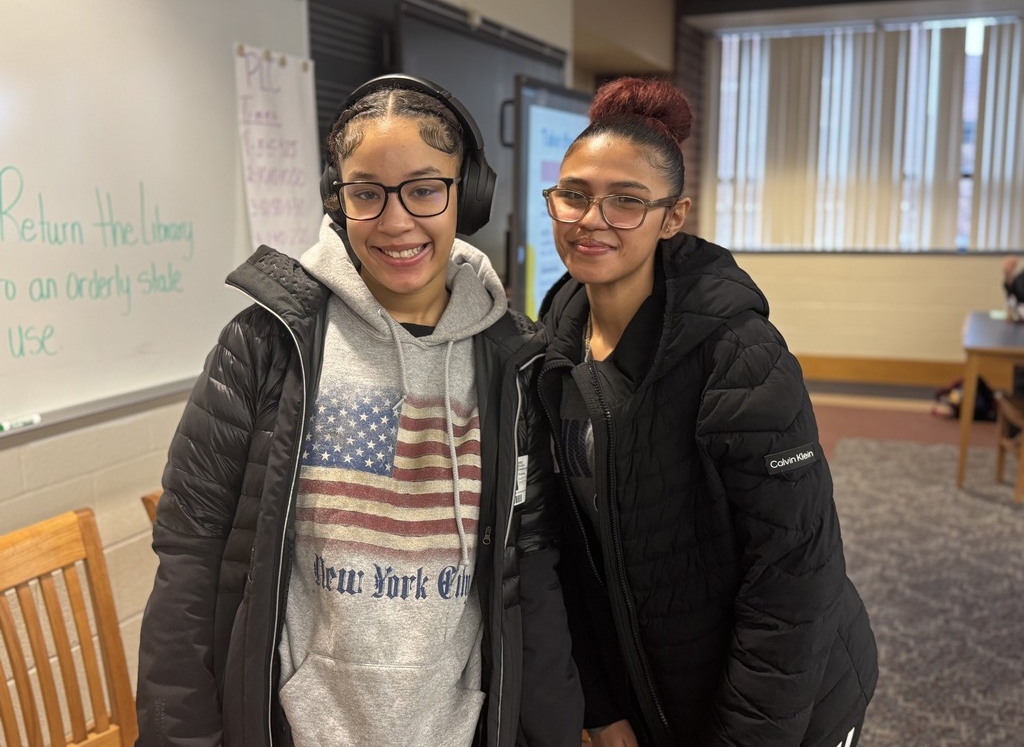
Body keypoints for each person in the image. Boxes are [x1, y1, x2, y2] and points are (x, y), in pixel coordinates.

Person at [135, 73, 583, 747]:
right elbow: (189, 554)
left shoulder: (511, 364)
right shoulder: (264, 346)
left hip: (458, 728)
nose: (396, 221)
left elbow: (534, 565)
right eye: (367, 193)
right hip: (295, 726)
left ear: (470, 195)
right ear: (336, 198)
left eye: (426, 189)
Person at [535, 77, 878, 747]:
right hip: (653, 682)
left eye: (626, 202)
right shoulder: (555, 333)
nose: (591, 220)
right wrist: (600, 708)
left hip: (785, 701)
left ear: (673, 215)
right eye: (573, 195)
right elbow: (565, 541)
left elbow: (794, 579)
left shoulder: (739, 355)